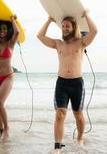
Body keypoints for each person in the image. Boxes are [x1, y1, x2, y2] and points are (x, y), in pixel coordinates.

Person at [37, 10, 97, 152]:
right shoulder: (58, 44)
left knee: (78, 114)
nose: (64, 28)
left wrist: (86, 15)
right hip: (62, 83)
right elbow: (39, 36)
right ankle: (57, 147)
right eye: (63, 26)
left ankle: (80, 137)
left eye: (67, 26)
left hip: (77, 84)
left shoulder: (81, 42)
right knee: (60, 114)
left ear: (74, 27)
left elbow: (94, 31)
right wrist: (49, 20)